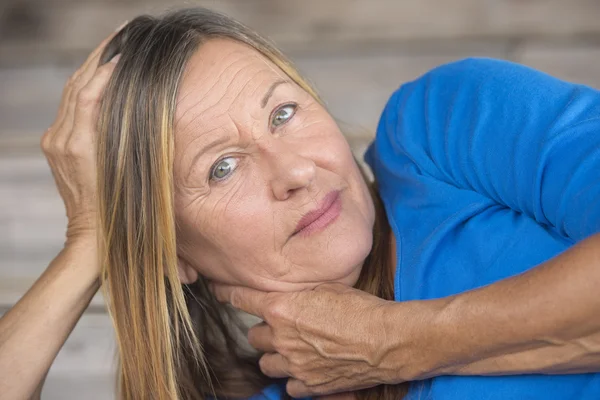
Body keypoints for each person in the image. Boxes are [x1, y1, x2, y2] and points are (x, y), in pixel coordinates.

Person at [0, 7, 599, 400]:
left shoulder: (440, 132)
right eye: (222, 167)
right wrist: (88, 242)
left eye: (283, 113)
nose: (294, 170)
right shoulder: (282, 390)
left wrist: (394, 342)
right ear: (172, 255)